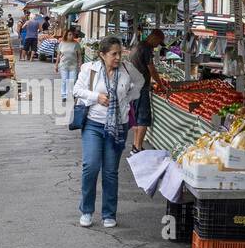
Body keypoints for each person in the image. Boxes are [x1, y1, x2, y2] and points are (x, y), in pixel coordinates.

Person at [73, 37, 142, 228]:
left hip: (118, 127)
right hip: (94, 125)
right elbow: (77, 90)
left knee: (111, 172)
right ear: (102, 55)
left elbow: (140, 84)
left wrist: (126, 101)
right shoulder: (90, 69)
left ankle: (109, 214)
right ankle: (86, 210)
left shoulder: (127, 70)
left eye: (120, 53)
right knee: (91, 166)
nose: (118, 57)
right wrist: (96, 97)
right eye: (114, 54)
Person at [129, 29, 168, 153]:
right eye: (158, 42)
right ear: (154, 38)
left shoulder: (138, 45)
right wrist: (161, 85)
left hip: (133, 85)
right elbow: (152, 69)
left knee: (136, 117)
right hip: (140, 87)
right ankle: (138, 147)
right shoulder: (146, 49)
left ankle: (135, 145)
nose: (158, 45)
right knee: (143, 118)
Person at [55, 28, 82, 102]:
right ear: (66, 35)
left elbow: (79, 55)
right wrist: (56, 65)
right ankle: (64, 95)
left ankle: (71, 94)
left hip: (73, 65)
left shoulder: (76, 44)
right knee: (64, 80)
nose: (71, 36)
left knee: (72, 81)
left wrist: (80, 65)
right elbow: (58, 55)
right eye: (69, 34)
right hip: (63, 65)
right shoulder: (62, 43)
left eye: (72, 35)